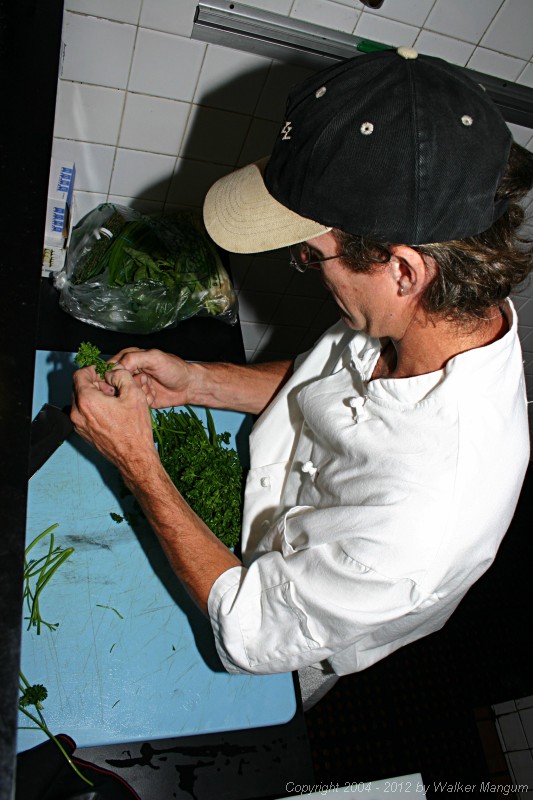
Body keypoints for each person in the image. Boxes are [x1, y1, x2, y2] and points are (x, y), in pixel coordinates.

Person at [71, 47, 533, 710]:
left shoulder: (423, 522)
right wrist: (201, 382)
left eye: (311, 256)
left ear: (402, 270)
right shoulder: (421, 314)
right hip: (267, 515)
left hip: (296, 625)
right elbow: (326, 385)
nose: (310, 269)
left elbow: (250, 627)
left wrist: (137, 460)